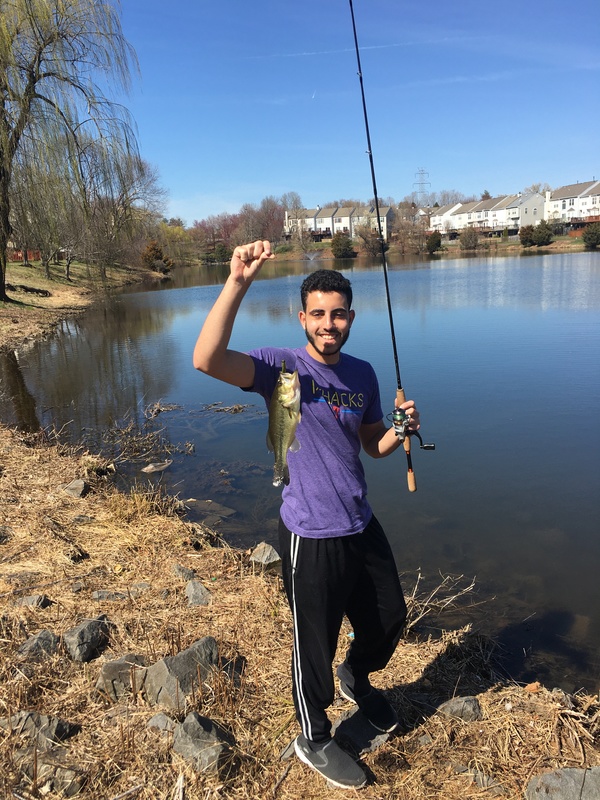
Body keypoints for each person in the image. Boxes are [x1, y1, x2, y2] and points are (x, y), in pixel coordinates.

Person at [193, 240, 420, 789]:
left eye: (338, 314)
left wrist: (399, 427)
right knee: (311, 643)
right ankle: (313, 736)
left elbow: (371, 445)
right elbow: (206, 359)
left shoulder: (362, 374)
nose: (328, 323)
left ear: (350, 318)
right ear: (302, 318)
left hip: (360, 523)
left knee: (390, 616)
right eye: (317, 314)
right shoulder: (280, 368)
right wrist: (237, 283)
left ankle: (356, 675)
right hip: (309, 533)